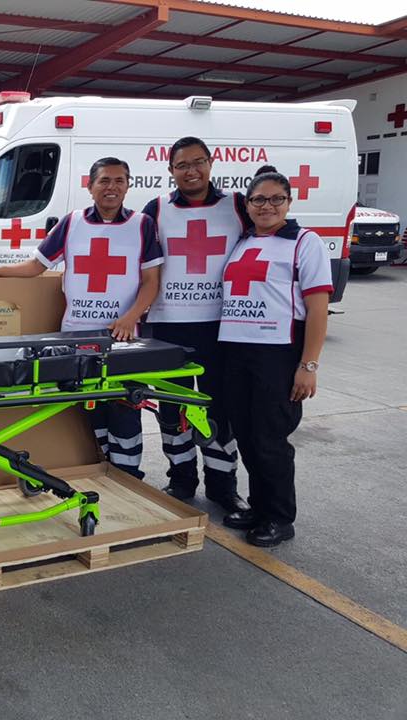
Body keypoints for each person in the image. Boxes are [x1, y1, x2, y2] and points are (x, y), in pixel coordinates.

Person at [0, 157, 163, 477]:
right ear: (90, 186)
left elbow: (151, 281)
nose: (112, 187)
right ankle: (107, 470)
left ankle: (130, 477)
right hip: (76, 336)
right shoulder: (72, 222)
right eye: (104, 180)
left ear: (128, 186)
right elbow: (36, 266)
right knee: (91, 408)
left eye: (119, 180)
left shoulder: (142, 224)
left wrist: (130, 318)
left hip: (121, 338)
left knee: (124, 408)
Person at [218, 166, 331, 547]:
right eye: (259, 199)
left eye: (276, 199)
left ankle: (280, 518)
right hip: (236, 351)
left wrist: (308, 365)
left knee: (270, 440)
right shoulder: (243, 241)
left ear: (289, 202)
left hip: (277, 355)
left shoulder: (304, 242)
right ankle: (260, 506)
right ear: (248, 204)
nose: (267, 206)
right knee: (247, 436)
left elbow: (318, 309)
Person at [142, 136, 250, 513]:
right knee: (172, 409)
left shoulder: (237, 205)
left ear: (211, 162)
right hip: (168, 327)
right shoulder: (156, 208)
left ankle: (223, 486)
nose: (191, 171)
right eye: (182, 165)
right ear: (170, 170)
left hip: (220, 328)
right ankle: (181, 480)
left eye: (198, 162)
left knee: (218, 408)